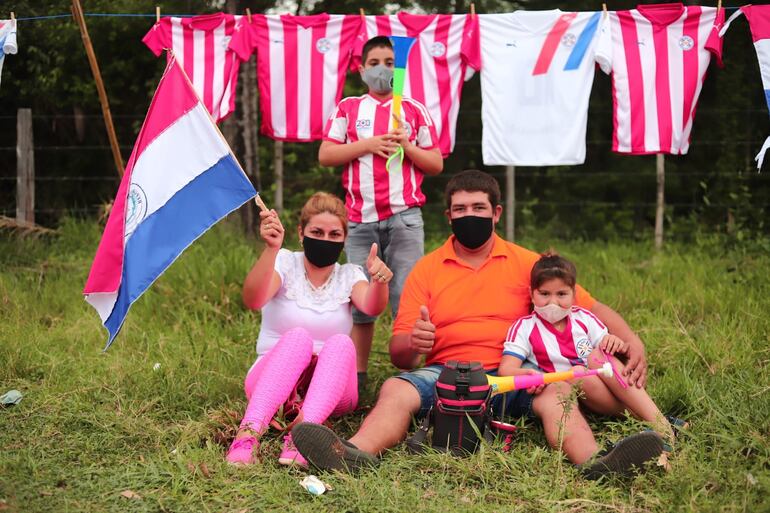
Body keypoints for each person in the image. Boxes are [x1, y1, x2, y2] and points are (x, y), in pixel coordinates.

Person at [291, 170, 661, 478]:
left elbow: (590, 306)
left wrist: (633, 342)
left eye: (478, 207)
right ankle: (353, 453)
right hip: (444, 375)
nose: (470, 215)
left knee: (560, 394)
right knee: (395, 389)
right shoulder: (427, 270)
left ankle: (597, 462)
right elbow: (400, 354)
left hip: (517, 373)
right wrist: (415, 343)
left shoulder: (527, 263)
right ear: (448, 216)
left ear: (496, 212)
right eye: (460, 209)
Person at [226, 192, 393, 466]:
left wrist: (379, 281)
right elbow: (253, 300)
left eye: (333, 234)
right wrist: (270, 249)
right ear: (301, 233)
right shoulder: (284, 261)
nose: (325, 240)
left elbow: (372, 307)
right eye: (317, 231)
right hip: (274, 380)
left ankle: (302, 441)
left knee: (341, 343)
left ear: (343, 240)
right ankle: (247, 435)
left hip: (331, 388)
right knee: (298, 338)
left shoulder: (349, 274)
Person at [318, 36, 444, 389]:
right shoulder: (348, 108)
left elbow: (434, 163)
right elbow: (326, 154)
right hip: (359, 221)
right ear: (361, 70)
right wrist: (368, 145)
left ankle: (412, 377)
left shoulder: (413, 110)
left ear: (398, 68)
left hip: (405, 217)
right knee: (361, 299)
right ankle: (356, 378)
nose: (382, 69)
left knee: (408, 297)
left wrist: (407, 145)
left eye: (389, 62)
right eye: (374, 62)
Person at [499, 252, 675, 478]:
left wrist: (614, 341)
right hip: (575, 389)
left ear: (574, 294)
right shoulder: (524, 327)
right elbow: (506, 369)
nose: (553, 302)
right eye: (544, 294)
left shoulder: (583, 318)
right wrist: (531, 375)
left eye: (562, 294)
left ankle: (661, 426)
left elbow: (607, 347)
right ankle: (651, 418)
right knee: (576, 374)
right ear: (532, 294)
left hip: (604, 382)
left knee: (596, 356)